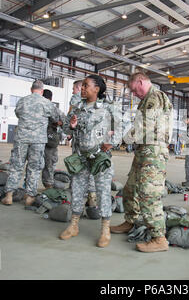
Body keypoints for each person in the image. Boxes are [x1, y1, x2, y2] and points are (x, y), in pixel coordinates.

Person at [110, 72, 173, 253]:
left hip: (154, 152)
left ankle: (159, 237)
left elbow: (142, 126)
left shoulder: (155, 97)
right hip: (144, 150)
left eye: (133, 89)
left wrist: (120, 140)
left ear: (141, 81)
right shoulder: (146, 100)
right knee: (131, 188)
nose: (133, 93)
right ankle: (131, 221)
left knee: (148, 194)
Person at [59, 75, 121, 248]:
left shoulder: (108, 108)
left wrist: (112, 142)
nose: (83, 88)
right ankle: (73, 226)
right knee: (77, 190)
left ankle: (105, 229)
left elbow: (123, 126)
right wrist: (70, 126)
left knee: (102, 192)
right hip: (80, 157)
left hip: (99, 158)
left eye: (86, 85)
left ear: (97, 89)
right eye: (83, 86)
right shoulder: (77, 107)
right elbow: (65, 128)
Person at [1, 80, 62, 206]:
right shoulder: (47, 103)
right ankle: (30, 196)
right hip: (38, 140)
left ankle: (9, 196)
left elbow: (18, 114)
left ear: (31, 89)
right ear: (42, 90)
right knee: (34, 168)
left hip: (21, 138)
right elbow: (57, 118)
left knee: (16, 166)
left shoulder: (22, 101)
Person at [42, 89, 67, 189]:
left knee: (33, 163)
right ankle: (48, 185)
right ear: (51, 98)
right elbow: (65, 121)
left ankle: (28, 187)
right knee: (50, 164)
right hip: (50, 140)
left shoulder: (37, 106)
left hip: (35, 139)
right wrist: (56, 124)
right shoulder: (54, 109)